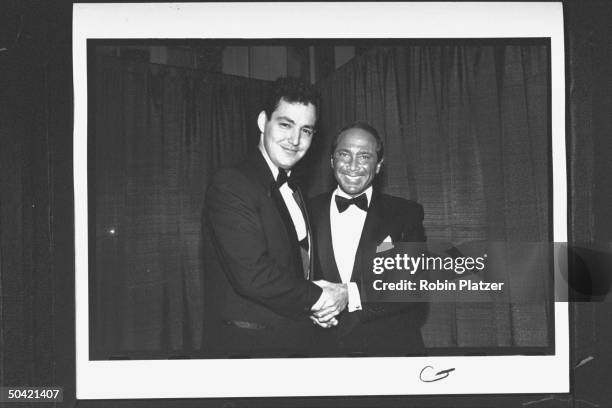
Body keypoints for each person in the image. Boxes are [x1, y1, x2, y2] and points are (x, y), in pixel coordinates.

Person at [204, 77, 347, 357]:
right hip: (246, 350)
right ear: (262, 122)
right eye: (285, 124)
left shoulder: (294, 189)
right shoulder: (232, 183)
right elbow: (253, 275)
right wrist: (321, 299)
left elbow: (293, 269)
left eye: (306, 130)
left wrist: (314, 308)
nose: (295, 141)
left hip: (294, 342)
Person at [309, 121, 427, 356]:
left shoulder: (405, 214)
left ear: (379, 164)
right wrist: (309, 307)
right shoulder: (304, 211)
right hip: (320, 352)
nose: (353, 166)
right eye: (344, 154)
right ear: (332, 160)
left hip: (389, 352)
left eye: (364, 156)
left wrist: (349, 294)